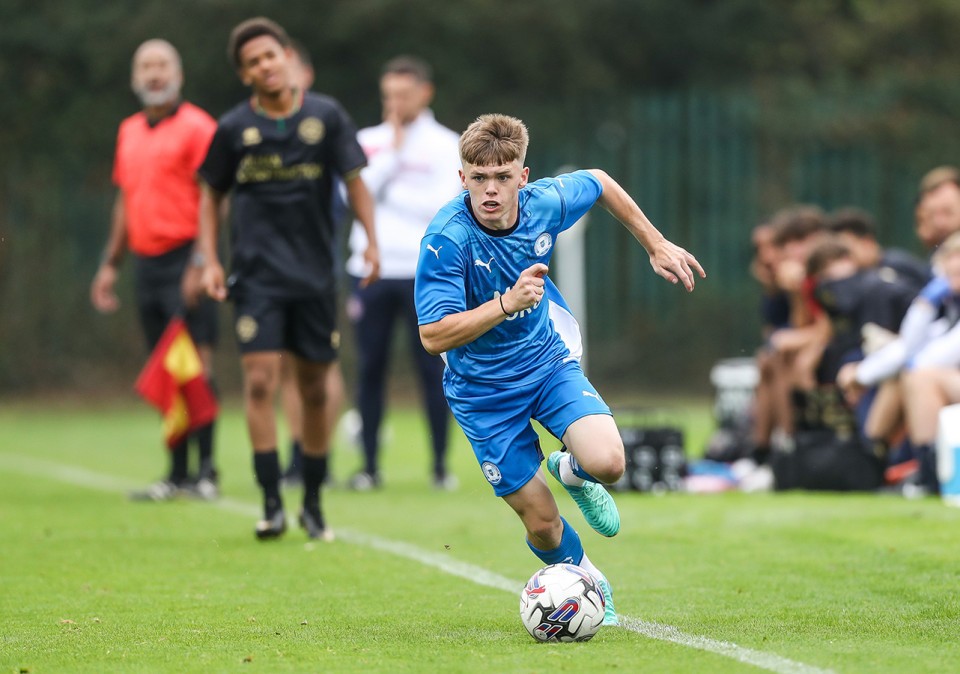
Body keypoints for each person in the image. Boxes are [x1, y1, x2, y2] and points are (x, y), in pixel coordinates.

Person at [414, 114, 704, 626]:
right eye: (479, 178)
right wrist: (505, 303)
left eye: (503, 177)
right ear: (462, 178)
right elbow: (433, 334)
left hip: (546, 364)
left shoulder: (544, 202)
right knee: (543, 524)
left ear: (522, 177)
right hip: (482, 394)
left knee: (609, 463)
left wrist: (655, 243)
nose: (490, 190)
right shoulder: (446, 239)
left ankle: (571, 469)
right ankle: (588, 579)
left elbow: (600, 182)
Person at [196, 17, 379, 540]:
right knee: (259, 381)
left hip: (315, 277)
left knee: (316, 389)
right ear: (244, 74)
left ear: (287, 58)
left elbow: (355, 182)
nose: (264, 66)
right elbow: (210, 195)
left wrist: (370, 239)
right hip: (256, 278)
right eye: (252, 62)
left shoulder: (326, 116)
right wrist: (209, 259)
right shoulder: (233, 128)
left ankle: (314, 502)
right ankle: (272, 502)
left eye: (270, 55)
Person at [90, 39, 220, 501]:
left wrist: (201, 261)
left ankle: (207, 472)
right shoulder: (128, 131)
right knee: (166, 370)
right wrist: (110, 264)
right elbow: (126, 201)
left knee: (197, 365)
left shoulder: (198, 127)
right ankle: (176, 473)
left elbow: (213, 199)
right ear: (135, 77)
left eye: (162, 64)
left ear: (178, 74)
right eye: (145, 65)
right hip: (145, 263)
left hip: (187, 256)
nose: (154, 73)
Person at [345, 56, 462, 490]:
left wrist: (383, 192)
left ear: (425, 93)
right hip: (369, 272)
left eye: (404, 94)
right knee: (369, 370)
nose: (395, 103)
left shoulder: (448, 144)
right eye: (389, 95)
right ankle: (369, 467)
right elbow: (355, 197)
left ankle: (440, 466)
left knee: (434, 370)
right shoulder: (367, 141)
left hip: (425, 272)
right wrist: (392, 156)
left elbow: (439, 207)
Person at [278, 40, 347, 487]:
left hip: (316, 265)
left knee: (322, 364)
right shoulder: (262, 128)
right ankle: (298, 456)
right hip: (272, 267)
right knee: (286, 366)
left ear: (306, 74)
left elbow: (344, 193)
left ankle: (320, 454)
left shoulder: (325, 123)